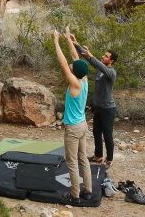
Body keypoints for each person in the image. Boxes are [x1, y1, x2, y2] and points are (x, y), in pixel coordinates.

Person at [66, 29, 118, 168]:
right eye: (104, 55)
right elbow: (89, 58)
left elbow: (96, 62)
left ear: (111, 61)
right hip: (98, 108)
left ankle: (109, 159)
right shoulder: (101, 69)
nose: (103, 56)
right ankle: (98, 156)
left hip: (108, 109)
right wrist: (75, 43)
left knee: (107, 134)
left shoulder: (111, 73)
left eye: (106, 56)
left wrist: (91, 56)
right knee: (96, 133)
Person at [53, 28, 92, 204]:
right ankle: (88, 191)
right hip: (83, 125)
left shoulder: (75, 84)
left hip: (74, 128)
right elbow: (76, 58)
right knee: (83, 158)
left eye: (72, 68)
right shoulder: (83, 79)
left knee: (72, 162)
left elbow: (63, 63)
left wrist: (56, 41)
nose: (70, 65)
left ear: (74, 72)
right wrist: (68, 38)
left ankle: (75, 195)